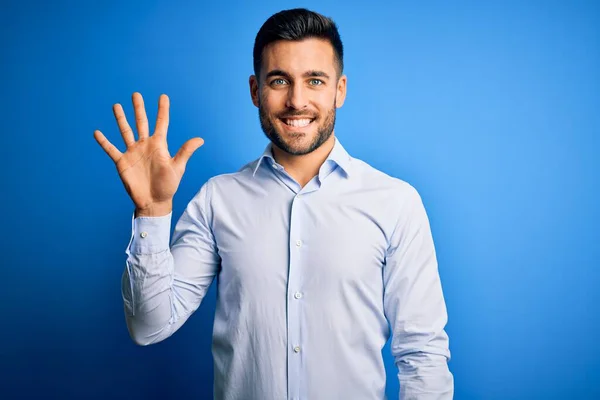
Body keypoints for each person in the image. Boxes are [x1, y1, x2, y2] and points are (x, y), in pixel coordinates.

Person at [94, 8, 453, 400]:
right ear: (255, 90)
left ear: (340, 89)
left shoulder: (395, 203)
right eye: (280, 80)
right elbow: (149, 326)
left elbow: (423, 355)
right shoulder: (219, 199)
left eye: (314, 80)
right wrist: (153, 211)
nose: (297, 101)